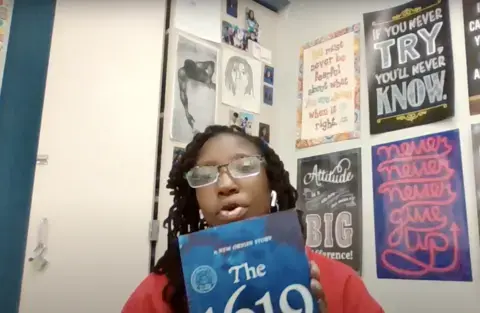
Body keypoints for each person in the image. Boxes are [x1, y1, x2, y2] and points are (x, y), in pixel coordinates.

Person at [122, 125, 384, 313]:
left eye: (245, 166)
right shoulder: (158, 295)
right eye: (205, 175)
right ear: (195, 198)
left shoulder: (338, 283)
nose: (225, 185)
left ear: (270, 181)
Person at [178, 59, 216, 129]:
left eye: (194, 70)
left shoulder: (199, 65)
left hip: (204, 80)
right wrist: (186, 112)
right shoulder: (182, 73)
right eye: (191, 72)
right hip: (194, 85)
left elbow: (211, 63)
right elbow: (182, 92)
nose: (193, 73)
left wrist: (210, 78)